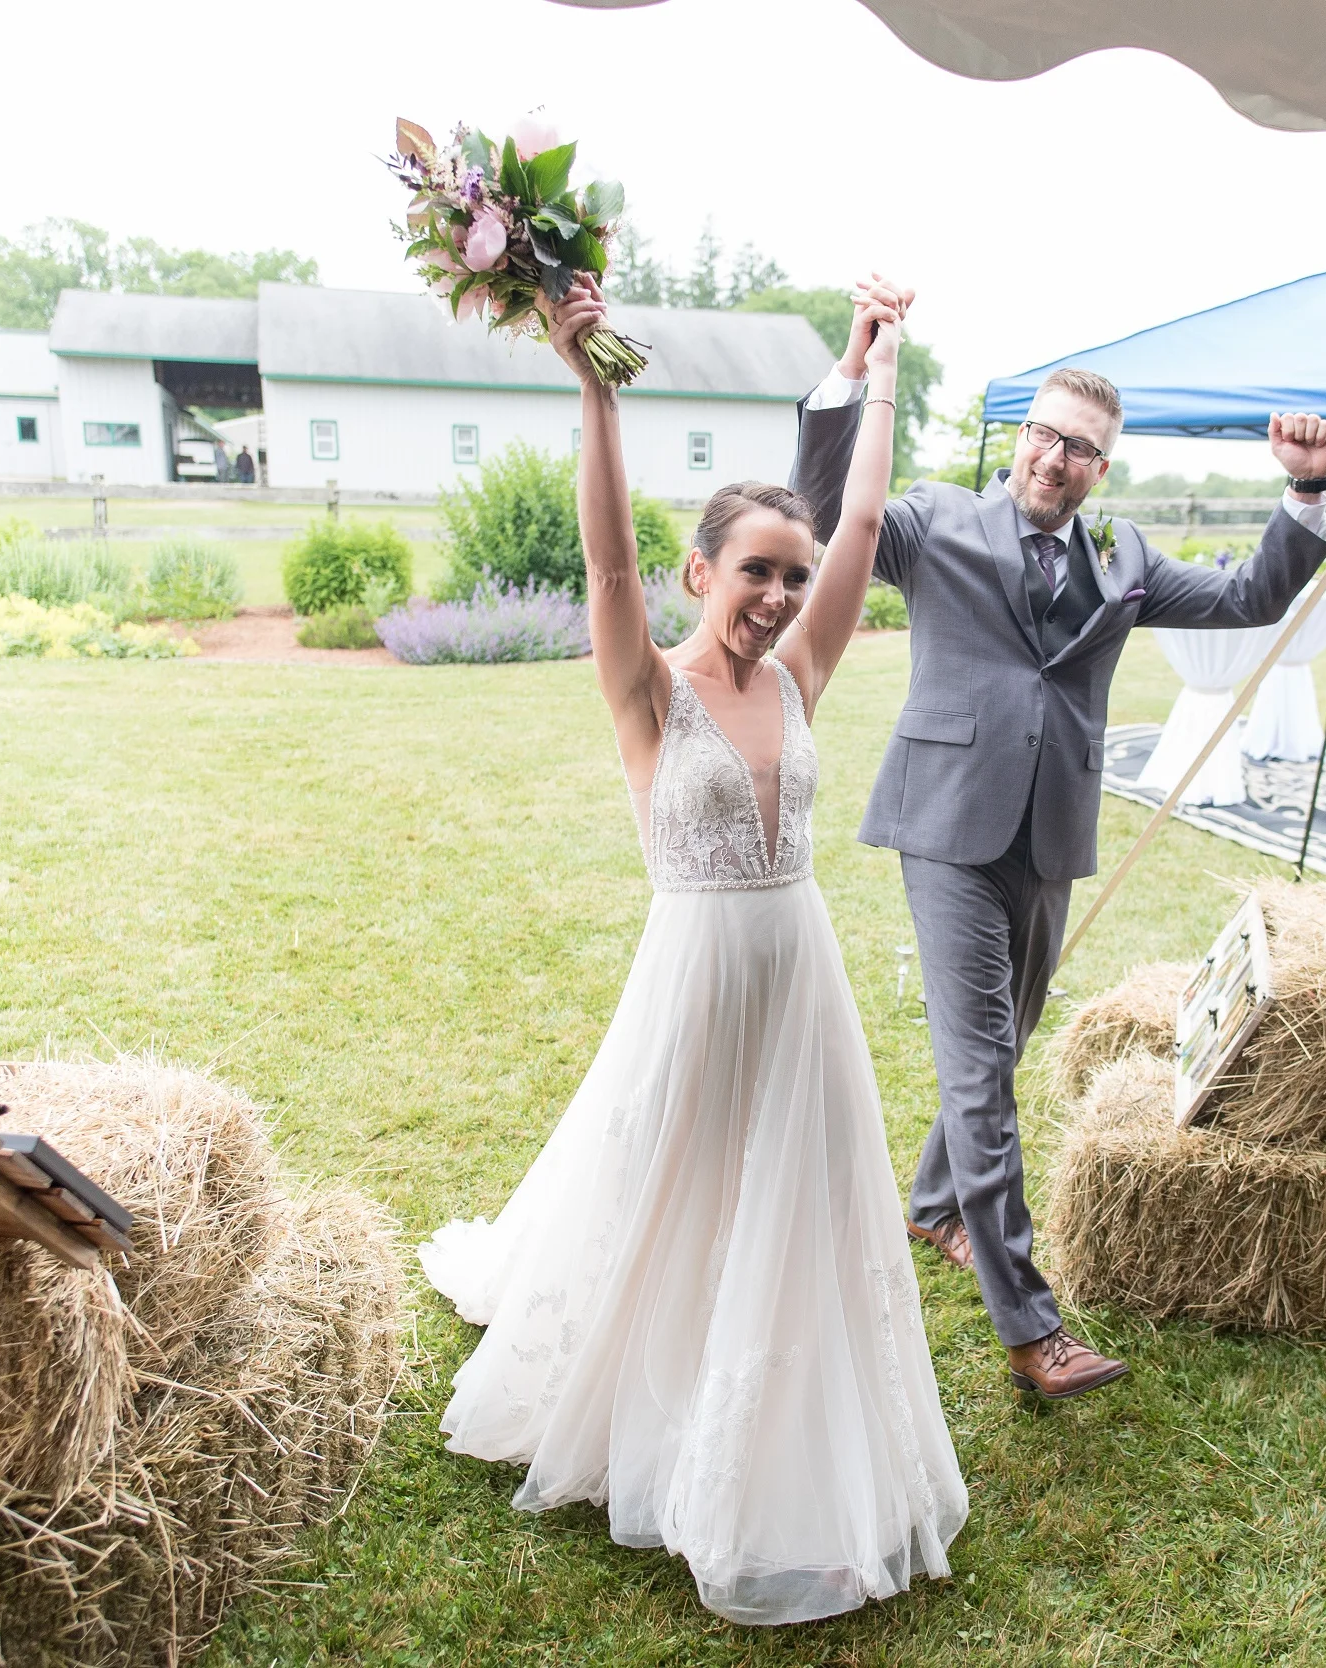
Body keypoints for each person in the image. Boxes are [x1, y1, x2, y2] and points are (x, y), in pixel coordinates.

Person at [419, 274, 966, 1626]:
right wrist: (593, 387)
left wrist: (880, 369)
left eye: (792, 576)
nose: (777, 595)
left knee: (796, 1198)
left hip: (800, 980)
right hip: (696, 979)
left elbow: (863, 521)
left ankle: (777, 1423)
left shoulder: (800, 676)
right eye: (754, 571)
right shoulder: (649, 692)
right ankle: (642, 1381)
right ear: (699, 573)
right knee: (669, 1179)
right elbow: (605, 561)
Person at [790, 278, 1326, 1401]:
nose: (1055, 458)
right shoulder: (933, 522)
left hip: (1050, 832)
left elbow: (1249, 598)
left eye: (1081, 448)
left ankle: (936, 1205)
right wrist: (853, 371)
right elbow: (823, 506)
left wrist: (1304, 490)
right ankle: (1031, 1329)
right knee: (980, 1070)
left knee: (1007, 1036)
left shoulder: (1123, 562)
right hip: (946, 823)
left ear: (1102, 467)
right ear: (1020, 437)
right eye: (1044, 434)